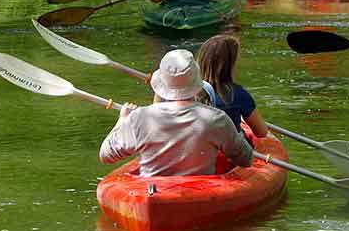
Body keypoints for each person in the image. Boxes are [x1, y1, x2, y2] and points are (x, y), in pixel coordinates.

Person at [99, 49, 256, 177]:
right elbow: (246, 159)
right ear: (196, 82)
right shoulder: (216, 119)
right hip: (199, 193)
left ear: (162, 83)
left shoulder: (139, 117)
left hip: (152, 190)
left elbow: (106, 156)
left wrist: (123, 120)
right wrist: (234, 134)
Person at [195, 35, 274, 140]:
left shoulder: (186, 93)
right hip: (228, 152)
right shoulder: (239, 95)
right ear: (230, 65)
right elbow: (261, 132)